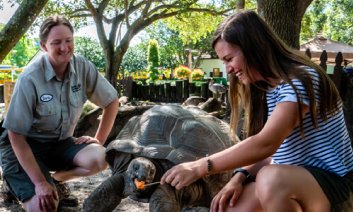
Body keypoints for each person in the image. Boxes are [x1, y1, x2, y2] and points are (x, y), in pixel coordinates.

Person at [161, 10, 353, 212]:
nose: (228, 69)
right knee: (227, 206)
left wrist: (200, 167)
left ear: (253, 48)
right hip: (297, 180)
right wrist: (239, 176)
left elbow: (265, 144)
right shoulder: (270, 89)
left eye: (229, 59)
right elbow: (275, 151)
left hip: (334, 186)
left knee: (270, 180)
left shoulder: (301, 80)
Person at [0, 15, 119, 212]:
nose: (64, 48)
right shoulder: (30, 77)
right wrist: (39, 184)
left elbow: (111, 101)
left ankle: (55, 181)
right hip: (22, 148)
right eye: (56, 43)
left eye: (68, 41)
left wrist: (98, 139)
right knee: (45, 206)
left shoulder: (82, 66)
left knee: (101, 157)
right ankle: (21, 183)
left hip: (58, 144)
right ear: (43, 46)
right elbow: (15, 135)